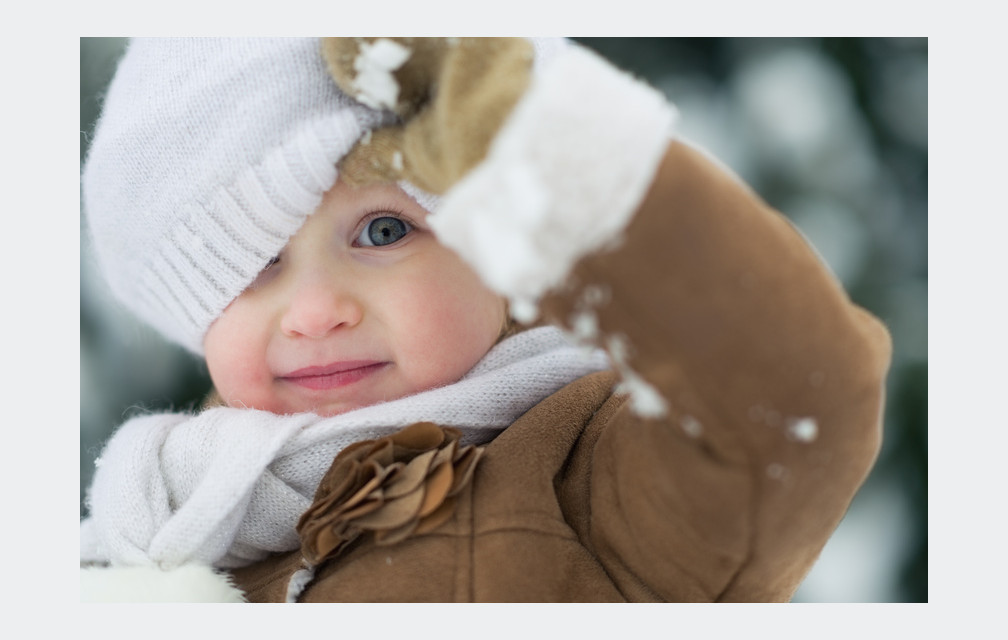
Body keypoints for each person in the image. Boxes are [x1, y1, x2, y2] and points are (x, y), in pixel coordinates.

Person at [79, 37, 891, 602]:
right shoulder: (153, 538)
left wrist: (546, 149)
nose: (319, 312)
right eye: (252, 262)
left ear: (500, 247)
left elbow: (792, 402)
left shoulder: (594, 476)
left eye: (386, 231)